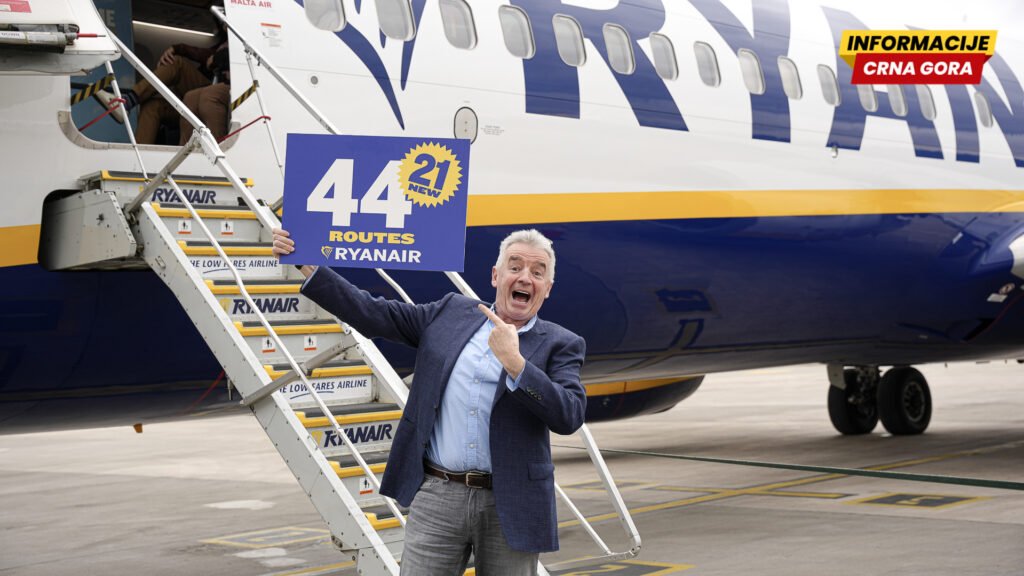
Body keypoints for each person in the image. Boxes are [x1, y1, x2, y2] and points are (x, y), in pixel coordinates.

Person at [272, 228, 586, 576]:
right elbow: (373, 312)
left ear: (547, 288)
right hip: (438, 493)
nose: (525, 277)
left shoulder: (561, 343)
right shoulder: (451, 312)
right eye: (515, 267)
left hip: (512, 501)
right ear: (496, 276)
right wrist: (307, 265)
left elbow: (569, 415)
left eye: (537, 272)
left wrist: (516, 364)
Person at [95, 25, 230, 144]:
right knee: (152, 106)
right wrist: (177, 48)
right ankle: (140, 159)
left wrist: (218, 58)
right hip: (199, 95)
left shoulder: (238, 39)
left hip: (218, 93)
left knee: (177, 64)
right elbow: (206, 55)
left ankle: (127, 101)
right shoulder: (223, 43)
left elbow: (212, 59)